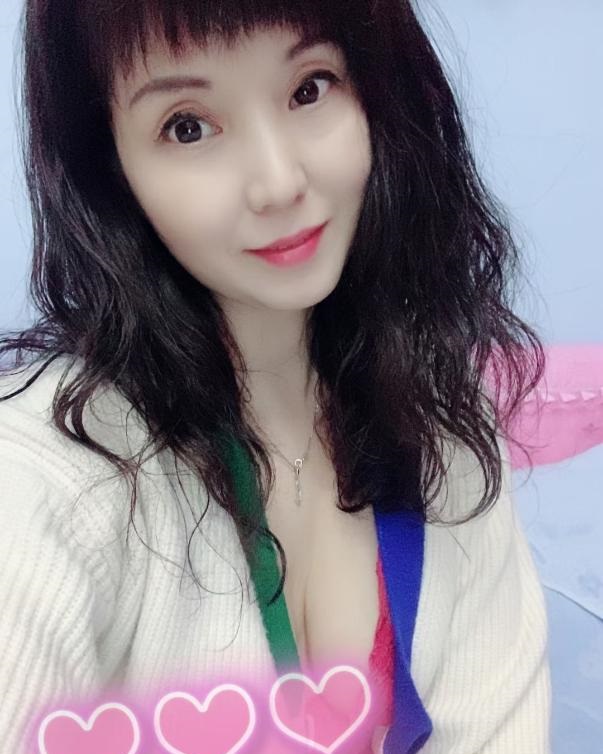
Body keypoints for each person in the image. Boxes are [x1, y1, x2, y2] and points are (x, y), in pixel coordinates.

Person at [0, 1, 551, 752]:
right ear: (109, 169)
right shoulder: (48, 479)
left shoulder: (443, 421)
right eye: (187, 127)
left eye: (308, 88)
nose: (278, 182)